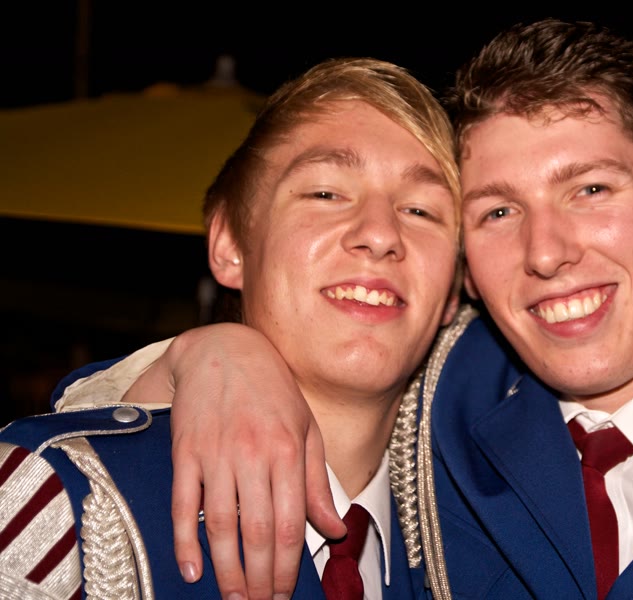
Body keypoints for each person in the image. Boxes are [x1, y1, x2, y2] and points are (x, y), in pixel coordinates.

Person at [46, 18, 633, 599]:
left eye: (591, 189)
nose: (545, 251)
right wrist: (213, 352)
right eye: (496, 211)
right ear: (465, 272)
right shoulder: (445, 419)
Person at [0, 56, 465, 599]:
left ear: (455, 288)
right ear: (229, 246)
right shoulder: (59, 501)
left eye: (421, 211)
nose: (380, 234)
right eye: (325, 193)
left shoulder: (479, 542)